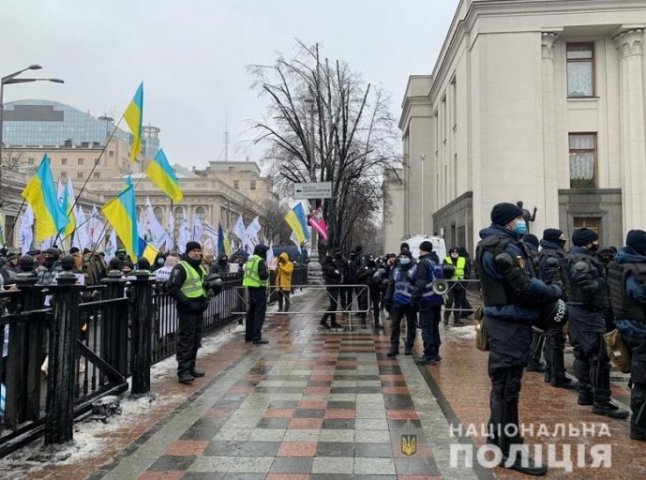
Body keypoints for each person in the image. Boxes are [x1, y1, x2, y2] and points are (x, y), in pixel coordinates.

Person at [476, 202, 562, 475]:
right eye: (518, 218)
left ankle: (496, 439)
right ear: (509, 221)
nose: (522, 222)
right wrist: (552, 291)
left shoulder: (498, 243)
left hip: (507, 320)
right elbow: (523, 285)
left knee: (503, 386)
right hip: (508, 322)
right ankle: (509, 452)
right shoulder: (502, 247)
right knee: (507, 388)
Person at [566, 227, 628, 419]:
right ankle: (601, 401)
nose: (597, 242)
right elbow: (586, 287)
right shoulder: (582, 262)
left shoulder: (576, 258)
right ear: (587, 241)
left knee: (582, 354)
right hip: (587, 312)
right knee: (598, 357)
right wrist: (601, 282)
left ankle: (585, 393)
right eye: (594, 239)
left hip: (579, 311)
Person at [608, 229, 646, 441]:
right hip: (640, 330)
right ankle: (640, 427)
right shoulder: (636, 270)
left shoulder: (619, 263)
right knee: (643, 381)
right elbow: (640, 295)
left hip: (627, 327)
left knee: (639, 376)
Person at [537, 228, 575, 389]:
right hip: (555, 301)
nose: (564, 239)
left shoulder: (547, 254)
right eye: (561, 237)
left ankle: (551, 372)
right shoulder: (552, 257)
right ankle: (557, 375)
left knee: (551, 337)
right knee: (555, 338)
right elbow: (556, 281)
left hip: (550, 300)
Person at [166, 241, 209, 384]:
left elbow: (202, 286)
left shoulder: (200, 268)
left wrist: (209, 293)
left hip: (199, 308)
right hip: (187, 309)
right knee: (186, 340)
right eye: (194, 251)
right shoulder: (181, 267)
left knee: (196, 339)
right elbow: (172, 288)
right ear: (188, 252)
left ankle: (191, 367)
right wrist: (187, 303)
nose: (197, 253)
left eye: (199, 250)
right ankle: (183, 371)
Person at [414, 241, 444, 365]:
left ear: (421, 250)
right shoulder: (436, 262)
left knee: (427, 328)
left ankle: (429, 355)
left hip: (426, 300)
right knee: (434, 327)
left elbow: (421, 283)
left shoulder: (423, 263)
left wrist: (414, 298)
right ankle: (435, 353)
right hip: (437, 299)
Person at [384, 249, 418, 357]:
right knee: (395, 325)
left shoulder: (415, 268)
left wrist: (416, 300)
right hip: (397, 301)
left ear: (409, 258)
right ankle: (394, 347)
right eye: (401, 256)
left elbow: (418, 285)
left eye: (405, 257)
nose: (403, 258)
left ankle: (409, 346)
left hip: (410, 302)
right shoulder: (396, 269)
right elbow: (391, 284)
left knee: (411, 325)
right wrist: (387, 298)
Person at [523, 234, 546, 373]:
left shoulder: (519, 252)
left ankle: (527, 357)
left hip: (523, 296)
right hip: (535, 296)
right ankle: (533, 359)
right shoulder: (535, 256)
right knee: (537, 330)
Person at [243, 244, 270, 344]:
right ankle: (256, 336)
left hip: (250, 288)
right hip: (259, 289)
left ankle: (248, 335)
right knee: (259, 313)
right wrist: (267, 271)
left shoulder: (250, 259)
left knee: (251, 313)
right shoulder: (260, 261)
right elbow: (263, 276)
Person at [443, 247, 467, 326]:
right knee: (449, 301)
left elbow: (467, 270)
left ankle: (456, 319)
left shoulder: (463, 260)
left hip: (460, 284)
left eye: (456, 253)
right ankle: (446, 319)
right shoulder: (446, 260)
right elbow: (443, 271)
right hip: (450, 284)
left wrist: (465, 279)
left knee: (458, 302)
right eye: (453, 252)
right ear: (450, 253)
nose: (455, 254)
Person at [320, 254, 343, 329]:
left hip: (334, 286)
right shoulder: (329, 268)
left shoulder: (330, 266)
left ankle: (333, 322)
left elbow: (338, 272)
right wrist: (338, 272)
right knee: (333, 305)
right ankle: (324, 320)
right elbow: (337, 274)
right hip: (332, 286)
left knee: (334, 304)